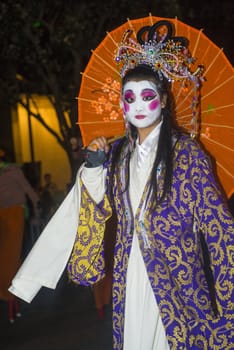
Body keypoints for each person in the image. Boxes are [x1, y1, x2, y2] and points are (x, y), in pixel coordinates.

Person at [9, 20, 233, 349]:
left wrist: (227, 298)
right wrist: (95, 167)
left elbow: (219, 227)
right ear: (122, 105)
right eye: (130, 97)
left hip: (178, 278)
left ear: (164, 100)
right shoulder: (116, 155)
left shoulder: (186, 154)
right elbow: (86, 204)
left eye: (147, 95)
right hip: (130, 274)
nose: (139, 105)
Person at [0, 147, 40, 322]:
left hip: (11, 214)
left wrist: (36, 204)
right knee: (10, 257)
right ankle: (11, 299)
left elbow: (26, 189)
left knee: (9, 257)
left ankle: (11, 299)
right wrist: (36, 204)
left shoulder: (11, 170)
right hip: (9, 214)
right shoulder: (12, 169)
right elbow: (27, 189)